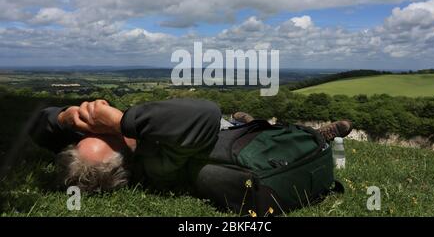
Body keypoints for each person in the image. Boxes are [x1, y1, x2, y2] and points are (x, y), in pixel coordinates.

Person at [29, 98, 352, 193]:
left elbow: (36, 126)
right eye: (106, 137)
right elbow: (204, 113)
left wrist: (65, 119)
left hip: (228, 131)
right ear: (124, 158)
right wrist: (118, 121)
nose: (94, 128)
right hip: (228, 136)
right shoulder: (156, 163)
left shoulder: (94, 146)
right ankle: (318, 135)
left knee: (244, 122)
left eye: (89, 135)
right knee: (266, 130)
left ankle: (247, 119)